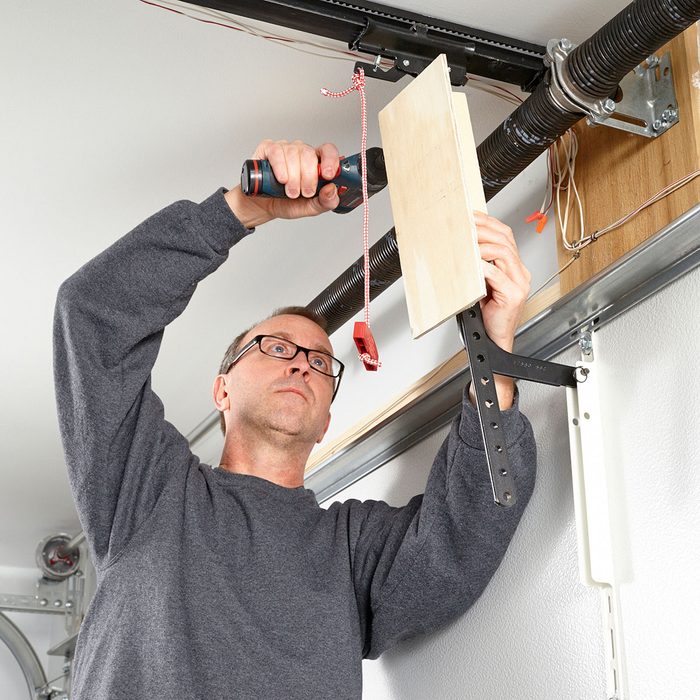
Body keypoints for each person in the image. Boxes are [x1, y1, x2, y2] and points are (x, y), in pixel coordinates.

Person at [53, 139, 536, 699]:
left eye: (319, 362)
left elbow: (463, 538)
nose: (302, 365)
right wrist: (240, 210)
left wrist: (494, 346)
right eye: (276, 348)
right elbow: (92, 316)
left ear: (326, 419)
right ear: (222, 389)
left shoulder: (352, 550)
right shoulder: (146, 491)